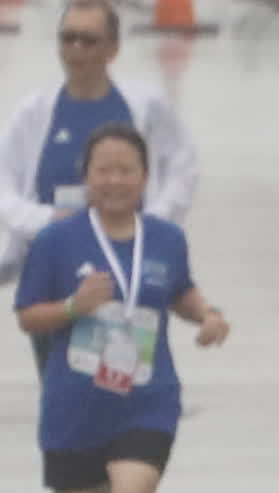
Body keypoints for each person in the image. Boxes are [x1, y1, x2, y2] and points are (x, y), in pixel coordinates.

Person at [13, 121, 228, 493]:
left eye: (125, 170)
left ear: (144, 177)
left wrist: (206, 314)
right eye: (102, 170)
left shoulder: (163, 238)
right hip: (75, 406)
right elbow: (28, 314)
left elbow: (178, 290)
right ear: (86, 177)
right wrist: (72, 306)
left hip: (147, 399)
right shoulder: (57, 242)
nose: (113, 181)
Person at [0, 0, 199, 326]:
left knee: (130, 371)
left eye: (89, 40)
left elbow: (184, 168)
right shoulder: (33, 113)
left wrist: (150, 223)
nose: (76, 49)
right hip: (56, 274)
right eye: (68, 38)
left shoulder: (145, 107)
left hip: (127, 270)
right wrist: (48, 219)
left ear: (113, 48)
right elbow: (4, 184)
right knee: (60, 372)